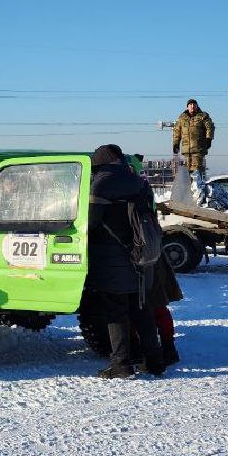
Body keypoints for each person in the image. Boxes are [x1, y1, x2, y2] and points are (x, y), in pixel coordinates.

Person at [85, 144, 165, 379]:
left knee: (115, 312)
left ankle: (121, 364)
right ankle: (154, 361)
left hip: (112, 258)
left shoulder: (100, 183)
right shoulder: (139, 182)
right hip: (143, 255)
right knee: (142, 309)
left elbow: (90, 223)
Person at [172, 98, 215, 193]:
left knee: (196, 170)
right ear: (187, 107)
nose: (192, 106)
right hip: (186, 150)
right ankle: (189, 191)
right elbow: (177, 131)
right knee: (187, 172)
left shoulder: (203, 116)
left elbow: (210, 127)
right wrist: (175, 143)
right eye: (190, 105)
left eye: (194, 104)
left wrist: (209, 139)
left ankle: (198, 191)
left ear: (196, 106)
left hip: (198, 148)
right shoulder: (182, 118)